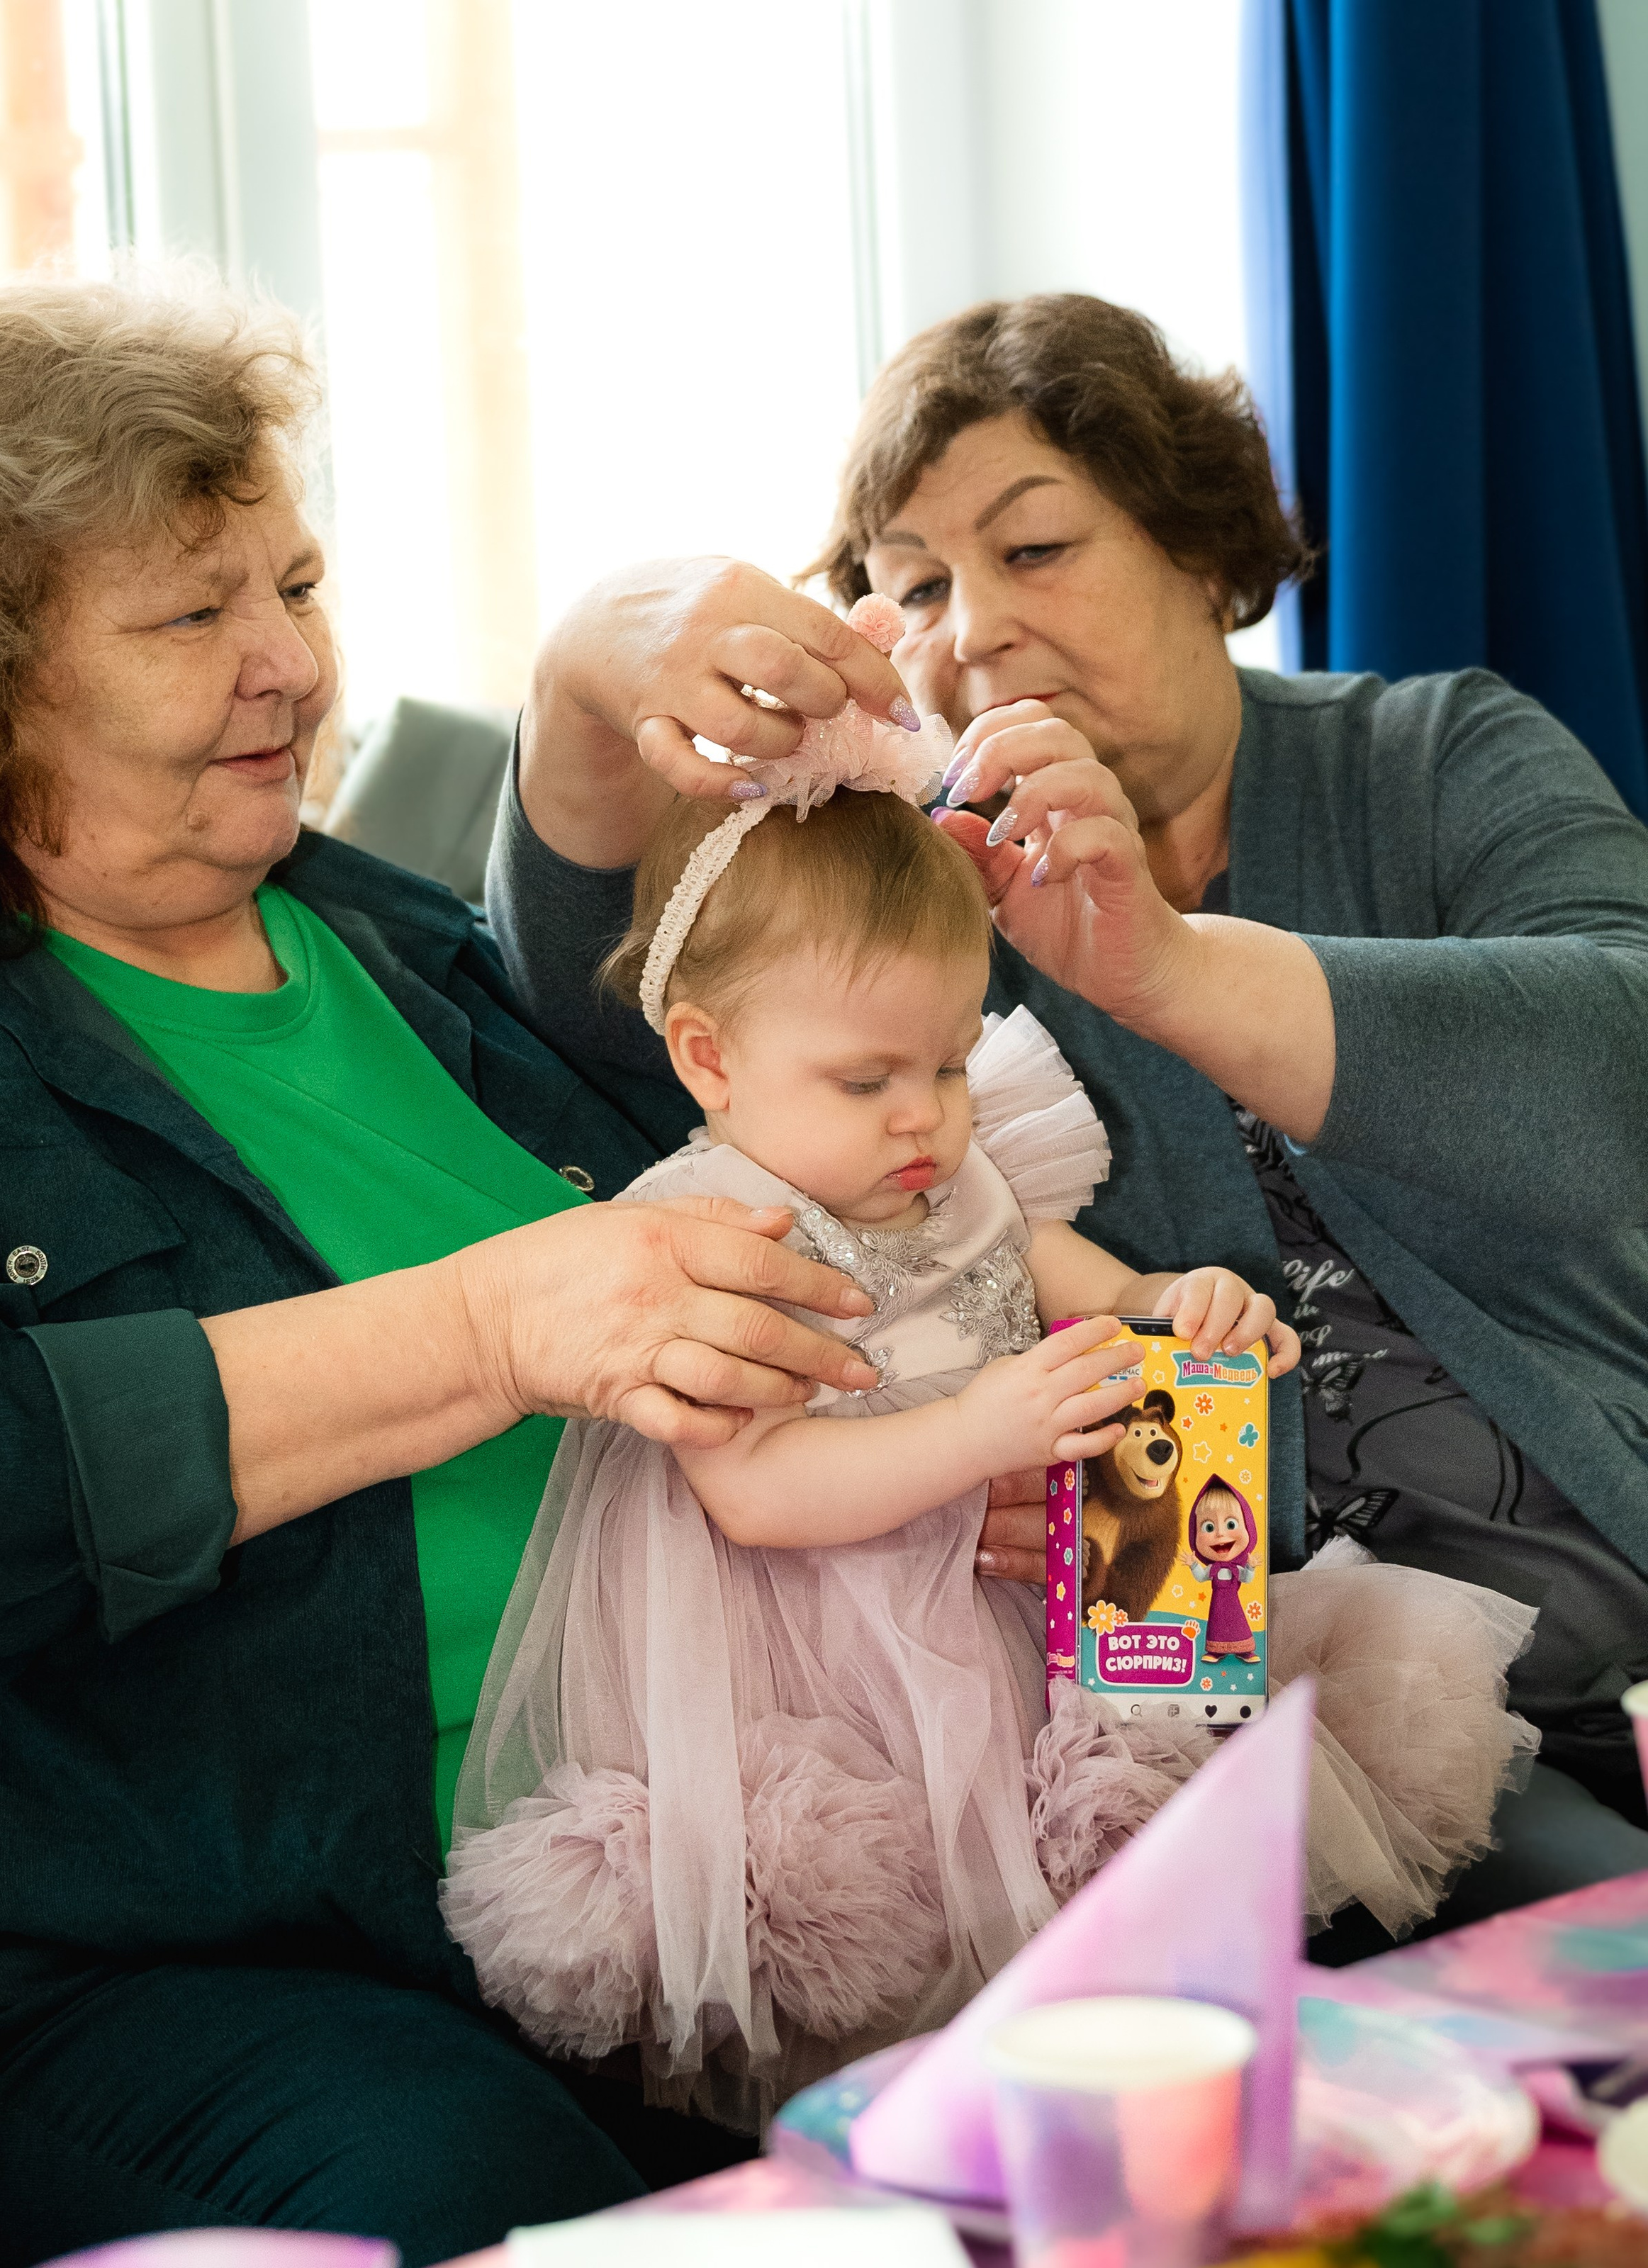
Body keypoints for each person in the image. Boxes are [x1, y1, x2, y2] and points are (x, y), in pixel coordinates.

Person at [0, 275, 926, 2268]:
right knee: (499, 2209)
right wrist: (489, 1325)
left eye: (297, 585)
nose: (286, 663)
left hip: (683, 1834)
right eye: (190, 615)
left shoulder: (389, 934)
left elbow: (761, 1180)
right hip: (189, 1959)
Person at [487, 293, 1648, 1948]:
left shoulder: (1432, 755)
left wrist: (1166, 970)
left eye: (1033, 548)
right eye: (912, 587)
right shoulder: (907, 903)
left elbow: (1617, 1067)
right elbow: (588, 1006)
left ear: (1198, 549)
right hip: (1188, 1689)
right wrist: (578, 684)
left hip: (1591, 1630)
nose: (970, 629)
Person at [442, 651, 1533, 2126]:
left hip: (1013, 1603)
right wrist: (977, 1429)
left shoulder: (951, 1172)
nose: (926, 1118)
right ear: (707, 1057)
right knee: (915, 1970)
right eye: (868, 1080)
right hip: (825, 1656)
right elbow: (755, 1491)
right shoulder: (702, 1238)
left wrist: (1177, 1304)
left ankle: (1137, 2118)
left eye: (953, 1063)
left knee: (1117, 1901)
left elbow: (1069, 1272)